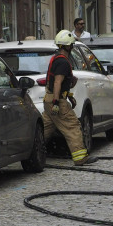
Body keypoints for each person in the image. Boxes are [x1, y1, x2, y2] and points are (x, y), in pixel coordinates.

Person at [43, 29, 97, 166]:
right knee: (72, 126)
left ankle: (30, 153)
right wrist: (57, 102)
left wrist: (69, 95)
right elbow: (57, 82)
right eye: (71, 44)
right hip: (56, 101)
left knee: (44, 129)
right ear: (67, 46)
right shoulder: (63, 62)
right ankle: (80, 158)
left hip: (48, 100)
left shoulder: (55, 59)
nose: (72, 47)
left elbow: (57, 81)